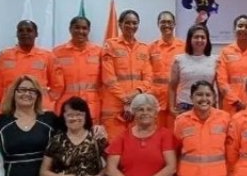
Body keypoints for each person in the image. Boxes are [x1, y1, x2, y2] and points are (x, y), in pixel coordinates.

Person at [101, 9, 153, 140]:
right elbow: (109, 78)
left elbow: (148, 78)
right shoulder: (110, 45)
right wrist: (125, 100)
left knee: (136, 145)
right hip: (114, 107)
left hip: (137, 106)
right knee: (114, 148)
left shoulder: (144, 48)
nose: (131, 26)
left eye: (135, 23)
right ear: (120, 24)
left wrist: (134, 96)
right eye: (127, 22)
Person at [50, 16, 103, 123]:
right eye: (77, 28)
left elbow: (104, 81)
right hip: (66, 108)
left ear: (89, 30)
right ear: (70, 29)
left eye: (84, 28)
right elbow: (53, 83)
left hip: (92, 108)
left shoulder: (99, 52)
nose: (80, 31)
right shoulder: (57, 53)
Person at [0, 20, 54, 111]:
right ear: (17, 34)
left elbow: (57, 85)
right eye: (21, 30)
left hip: (39, 107)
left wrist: (47, 101)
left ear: (36, 34)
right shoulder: (5, 56)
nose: (25, 33)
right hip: (11, 107)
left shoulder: (47, 56)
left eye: (29, 30)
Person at [169, 24, 217, 118]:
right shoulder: (179, 60)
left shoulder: (216, 60)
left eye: (203, 37)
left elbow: (219, 89)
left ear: (207, 40)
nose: (199, 40)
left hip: (207, 106)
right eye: (196, 37)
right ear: (190, 40)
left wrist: (219, 107)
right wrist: (171, 107)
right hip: (184, 106)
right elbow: (172, 86)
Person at [149, 11, 185, 128]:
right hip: (157, 99)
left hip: (177, 98)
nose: (166, 25)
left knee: (175, 133)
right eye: (163, 22)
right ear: (158, 24)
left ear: (174, 24)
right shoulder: (151, 48)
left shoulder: (184, 47)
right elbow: (146, 74)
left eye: (169, 22)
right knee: (156, 132)